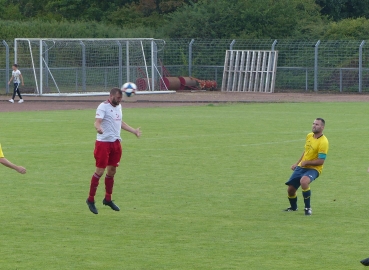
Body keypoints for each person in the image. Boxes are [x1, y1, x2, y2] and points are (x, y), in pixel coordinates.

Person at [86, 87, 141, 214]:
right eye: (118, 98)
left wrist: (134, 131)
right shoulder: (103, 107)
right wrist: (98, 128)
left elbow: (119, 122)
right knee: (99, 171)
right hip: (103, 143)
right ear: (111, 96)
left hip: (116, 143)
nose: (120, 100)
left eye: (121, 98)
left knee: (112, 171)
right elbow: (97, 122)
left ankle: (108, 198)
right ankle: (90, 199)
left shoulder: (119, 106)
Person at [284, 118, 329, 216]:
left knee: (304, 181)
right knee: (290, 190)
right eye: (313, 123)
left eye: (317, 124)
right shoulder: (309, 136)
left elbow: (321, 161)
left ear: (322, 127)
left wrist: (307, 162)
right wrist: (297, 163)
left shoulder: (324, 142)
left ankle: (308, 208)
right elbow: (306, 151)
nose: (314, 126)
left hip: (314, 169)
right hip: (302, 166)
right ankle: (293, 207)